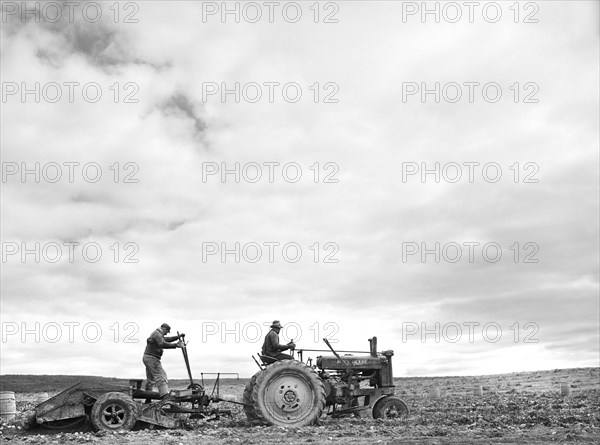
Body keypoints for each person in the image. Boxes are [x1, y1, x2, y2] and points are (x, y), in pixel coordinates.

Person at [142, 323, 184, 399]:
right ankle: (165, 396)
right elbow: (162, 344)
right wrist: (176, 345)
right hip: (152, 359)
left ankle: (148, 399)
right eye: (167, 331)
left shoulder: (157, 334)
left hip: (148, 358)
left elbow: (166, 339)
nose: (167, 333)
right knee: (161, 376)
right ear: (164, 329)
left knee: (150, 380)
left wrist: (178, 337)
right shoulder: (157, 334)